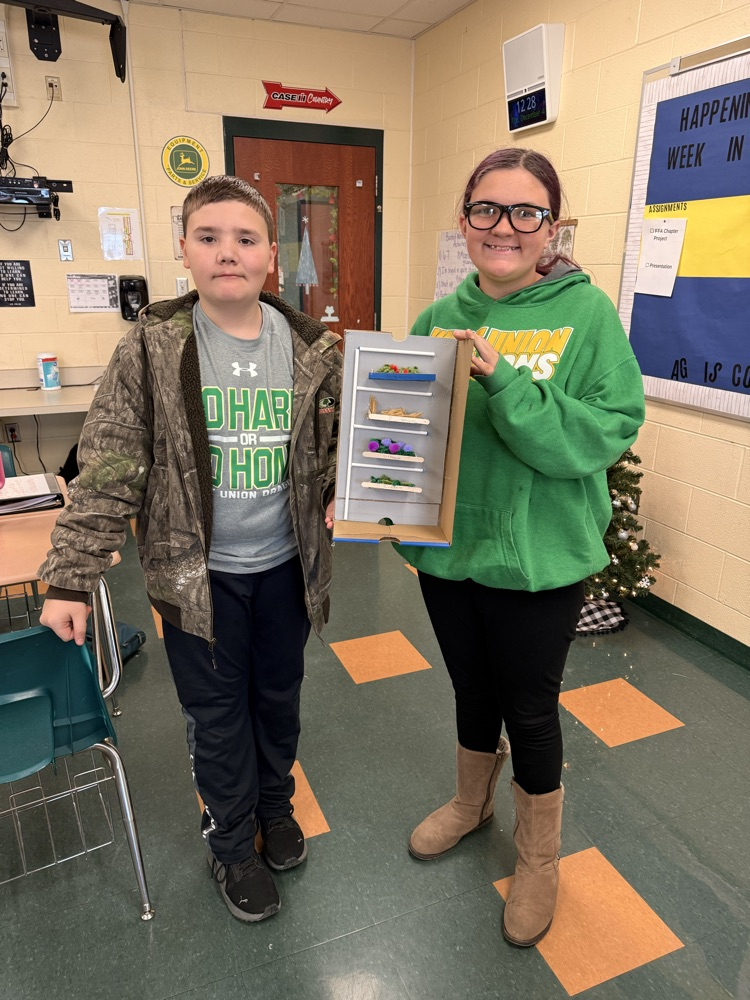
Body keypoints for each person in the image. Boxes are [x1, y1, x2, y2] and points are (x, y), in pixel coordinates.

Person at [38, 175, 342, 924]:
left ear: (273, 253)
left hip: (284, 576)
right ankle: (233, 843)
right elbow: (109, 464)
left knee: (278, 705)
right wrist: (71, 578)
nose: (227, 254)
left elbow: (332, 454)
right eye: (209, 238)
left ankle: (275, 811)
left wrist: (347, 491)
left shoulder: (313, 349)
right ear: (185, 249)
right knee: (218, 721)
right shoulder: (153, 344)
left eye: (245, 239)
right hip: (193, 584)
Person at [401, 148, 645, 947]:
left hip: (538, 557)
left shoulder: (588, 316)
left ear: (553, 226)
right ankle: (473, 805)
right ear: (464, 220)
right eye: (487, 211)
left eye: (525, 212)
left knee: (531, 710)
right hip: (449, 551)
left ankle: (539, 858)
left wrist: (506, 381)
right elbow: (405, 431)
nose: (504, 228)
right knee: (472, 691)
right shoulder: (438, 318)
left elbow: (602, 433)